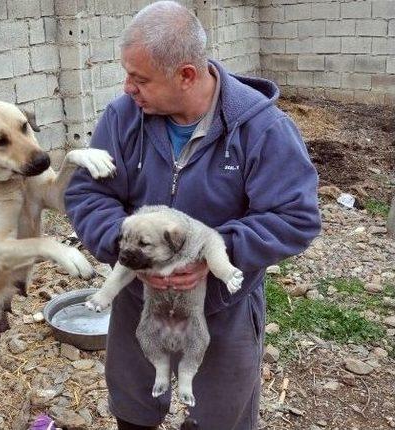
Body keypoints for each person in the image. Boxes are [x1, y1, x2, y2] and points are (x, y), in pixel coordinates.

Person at [64, 2, 321, 429]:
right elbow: (89, 193)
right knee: (132, 410)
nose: (127, 88)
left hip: (221, 305)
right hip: (139, 299)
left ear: (186, 75)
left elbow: (295, 216)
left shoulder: (260, 129)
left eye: (140, 78)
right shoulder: (123, 118)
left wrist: (210, 257)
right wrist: (127, 248)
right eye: (127, 74)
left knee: (222, 418)